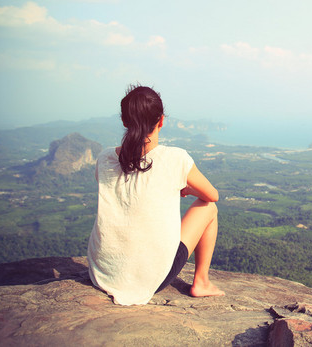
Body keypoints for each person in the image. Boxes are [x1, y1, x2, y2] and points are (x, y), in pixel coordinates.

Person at [87, 85, 225, 305]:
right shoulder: (176, 159)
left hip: (102, 273)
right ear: (161, 120)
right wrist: (187, 188)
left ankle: (201, 281)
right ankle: (201, 281)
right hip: (150, 278)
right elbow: (212, 195)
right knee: (209, 208)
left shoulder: (104, 158)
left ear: (124, 121)